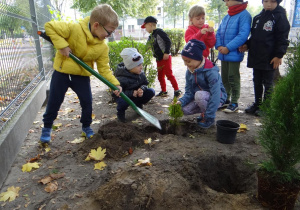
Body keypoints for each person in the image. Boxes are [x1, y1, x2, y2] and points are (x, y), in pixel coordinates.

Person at [40, 4, 122, 143]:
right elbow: (49, 26)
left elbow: (104, 69)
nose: (109, 35)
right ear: (96, 25)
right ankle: (47, 127)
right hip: (62, 73)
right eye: (109, 32)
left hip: (82, 76)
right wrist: (62, 46)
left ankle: (86, 126)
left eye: (112, 33)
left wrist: (115, 84)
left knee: (87, 102)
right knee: (54, 101)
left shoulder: (102, 47)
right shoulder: (74, 29)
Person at [239, 0, 290, 116]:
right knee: (256, 81)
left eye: (272, 1)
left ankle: (266, 107)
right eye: (266, 1)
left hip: (270, 58)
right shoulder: (258, 17)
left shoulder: (280, 17)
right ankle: (258, 104)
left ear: (277, 2)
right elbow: (254, 36)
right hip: (256, 57)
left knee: (268, 83)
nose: (268, 4)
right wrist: (247, 44)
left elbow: (283, 38)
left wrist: (279, 55)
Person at [177, 39, 227, 129]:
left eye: (188, 61)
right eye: (184, 61)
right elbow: (189, 92)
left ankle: (209, 118)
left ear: (198, 58)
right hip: (201, 97)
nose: (185, 64)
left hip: (217, 98)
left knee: (199, 95)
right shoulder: (189, 71)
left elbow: (215, 94)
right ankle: (204, 113)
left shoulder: (211, 71)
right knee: (184, 109)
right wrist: (181, 101)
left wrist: (210, 115)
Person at [215, 0, 251, 113]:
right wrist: (219, 46)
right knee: (224, 77)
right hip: (223, 54)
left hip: (234, 53)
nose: (226, 4)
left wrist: (228, 48)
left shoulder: (245, 15)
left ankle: (234, 102)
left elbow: (243, 34)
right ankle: (226, 99)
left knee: (233, 77)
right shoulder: (227, 16)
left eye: (227, 0)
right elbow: (219, 32)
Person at [141, 16, 181, 98]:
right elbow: (147, 47)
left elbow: (168, 41)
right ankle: (164, 91)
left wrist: (166, 52)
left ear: (150, 24)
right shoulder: (151, 36)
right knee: (160, 76)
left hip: (165, 57)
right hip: (158, 59)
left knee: (169, 74)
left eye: (146, 27)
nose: (145, 29)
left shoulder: (159, 32)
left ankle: (177, 90)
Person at [114, 48, 155, 122]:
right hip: (125, 97)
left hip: (137, 96)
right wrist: (132, 93)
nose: (141, 67)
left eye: (141, 64)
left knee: (151, 91)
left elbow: (145, 84)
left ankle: (138, 105)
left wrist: (142, 89)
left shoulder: (141, 73)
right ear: (130, 66)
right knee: (122, 101)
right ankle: (120, 113)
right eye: (138, 65)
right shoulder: (121, 77)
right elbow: (115, 94)